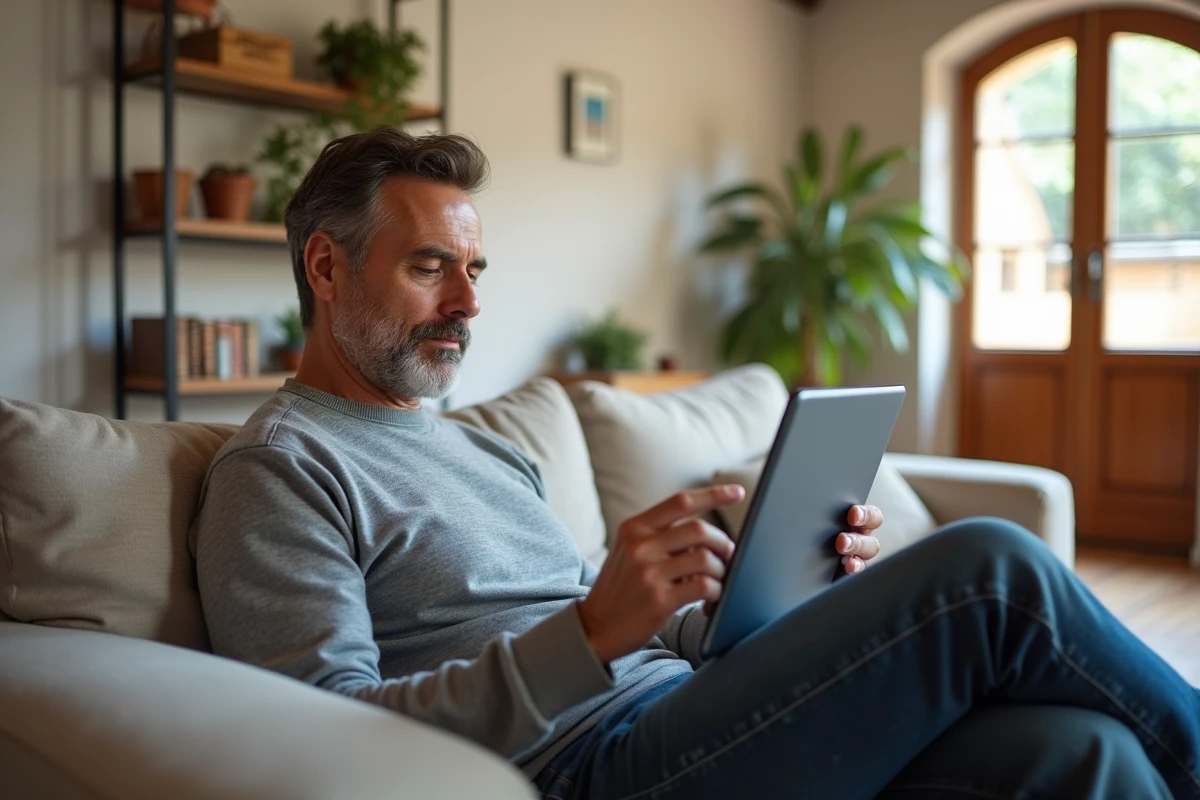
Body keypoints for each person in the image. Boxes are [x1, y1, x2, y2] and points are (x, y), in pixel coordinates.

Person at [190, 127, 1200, 800]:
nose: (469, 303)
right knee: (991, 565)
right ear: (326, 267)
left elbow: (615, 623)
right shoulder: (279, 470)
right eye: (428, 268)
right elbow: (322, 728)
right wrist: (589, 633)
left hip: (693, 706)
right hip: (601, 767)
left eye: (475, 269)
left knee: (1089, 754)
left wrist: (770, 593)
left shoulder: (483, 446)